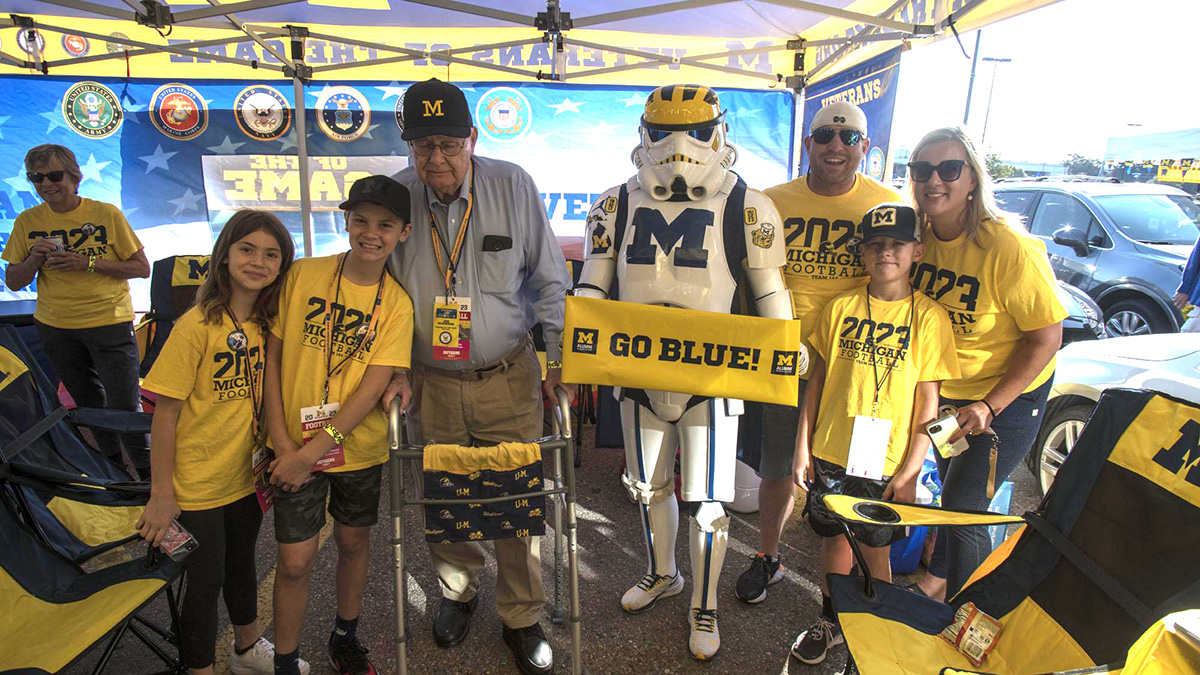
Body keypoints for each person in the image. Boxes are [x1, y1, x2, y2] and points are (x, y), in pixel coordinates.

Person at [574, 83, 797, 660]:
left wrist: (782, 347)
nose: (679, 145)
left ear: (719, 132)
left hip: (713, 377)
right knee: (647, 486)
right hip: (638, 368)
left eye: (695, 131)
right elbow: (593, 284)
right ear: (642, 135)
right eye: (664, 131)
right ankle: (662, 572)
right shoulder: (613, 202)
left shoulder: (748, 205)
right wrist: (573, 343)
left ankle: (706, 603)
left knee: (711, 503)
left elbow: (769, 289)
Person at [380, 78, 571, 675]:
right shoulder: (395, 198)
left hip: (507, 374)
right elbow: (378, 292)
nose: (435, 159)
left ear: (472, 137)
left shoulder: (512, 184)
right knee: (447, 494)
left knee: (516, 500)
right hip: (429, 381)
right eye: (422, 145)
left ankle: (522, 614)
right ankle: (458, 592)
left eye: (447, 144)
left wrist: (558, 360)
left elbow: (548, 280)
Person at [735, 103, 902, 606]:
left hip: (861, 371)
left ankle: (860, 594)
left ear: (865, 149)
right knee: (778, 468)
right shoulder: (770, 201)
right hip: (787, 363)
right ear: (807, 143)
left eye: (849, 138)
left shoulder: (885, 205)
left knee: (863, 477)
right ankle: (769, 557)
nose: (836, 145)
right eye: (825, 135)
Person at [788, 204, 959, 671]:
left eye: (897, 244)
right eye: (876, 244)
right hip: (832, 448)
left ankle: (874, 629)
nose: (886, 252)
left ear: (917, 252)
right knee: (834, 540)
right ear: (862, 253)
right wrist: (803, 446)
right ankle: (831, 620)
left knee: (875, 546)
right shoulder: (840, 307)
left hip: (886, 459)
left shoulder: (928, 318)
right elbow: (816, 383)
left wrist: (910, 469)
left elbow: (929, 402)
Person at [138, 210, 305, 675]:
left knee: (242, 565)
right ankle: (199, 668)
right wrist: (161, 493)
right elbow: (163, 416)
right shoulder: (196, 326)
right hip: (195, 483)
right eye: (247, 249)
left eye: (272, 254)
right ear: (225, 255)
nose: (259, 261)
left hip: (243, 477)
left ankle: (247, 650)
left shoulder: (268, 324)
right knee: (205, 581)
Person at [906, 127, 1065, 601]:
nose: (934, 180)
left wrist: (991, 406)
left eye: (948, 169)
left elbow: (1046, 337)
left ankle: (966, 610)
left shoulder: (1009, 248)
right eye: (921, 170)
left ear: (972, 178)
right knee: (954, 492)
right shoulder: (919, 237)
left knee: (964, 506)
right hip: (949, 394)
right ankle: (937, 583)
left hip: (1008, 397)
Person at [264, 176, 415, 675]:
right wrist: (287, 446)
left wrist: (312, 452)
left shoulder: (396, 304)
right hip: (290, 446)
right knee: (294, 560)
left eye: (385, 225)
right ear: (346, 221)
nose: (371, 233)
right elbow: (273, 358)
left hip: (357, 449)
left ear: (403, 233)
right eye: (361, 221)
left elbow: (372, 388)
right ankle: (285, 659)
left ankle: (344, 636)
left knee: (352, 543)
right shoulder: (303, 274)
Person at [2, 144, 151, 476]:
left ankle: (149, 476)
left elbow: (142, 268)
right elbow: (13, 280)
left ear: (74, 176)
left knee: (125, 404)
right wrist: (35, 258)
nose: (46, 184)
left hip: (109, 322)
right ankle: (112, 470)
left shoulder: (106, 213)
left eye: (54, 176)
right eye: (36, 178)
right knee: (87, 405)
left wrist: (89, 263)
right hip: (56, 326)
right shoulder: (28, 221)